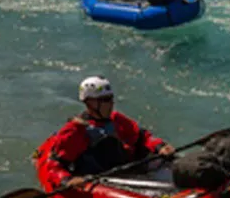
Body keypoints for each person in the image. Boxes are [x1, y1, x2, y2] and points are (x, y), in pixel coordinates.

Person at [37, 76, 175, 190]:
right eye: (105, 100)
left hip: (126, 170)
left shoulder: (116, 119)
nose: (110, 104)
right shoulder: (75, 131)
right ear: (90, 103)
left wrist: (159, 147)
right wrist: (67, 180)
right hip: (101, 179)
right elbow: (54, 166)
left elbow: (142, 137)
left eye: (110, 99)